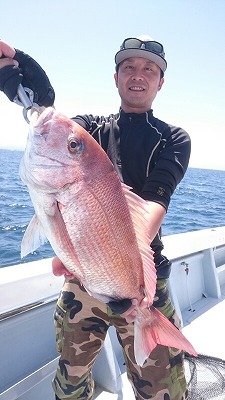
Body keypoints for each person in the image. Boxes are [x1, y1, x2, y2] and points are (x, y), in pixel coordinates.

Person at [0, 35, 191, 400]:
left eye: (149, 69)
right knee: (71, 382)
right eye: (129, 67)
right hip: (83, 281)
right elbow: (58, 131)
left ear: (161, 82)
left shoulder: (174, 138)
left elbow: (153, 203)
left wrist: (130, 283)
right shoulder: (92, 127)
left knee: (163, 392)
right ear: (115, 77)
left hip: (141, 284)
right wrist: (38, 95)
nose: (138, 74)